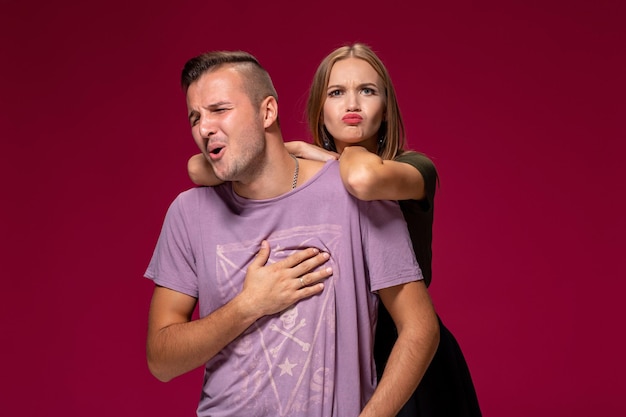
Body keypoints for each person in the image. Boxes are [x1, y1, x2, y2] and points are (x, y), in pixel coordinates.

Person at [189, 43, 482, 417]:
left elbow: (362, 178)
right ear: (320, 109)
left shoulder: (414, 167)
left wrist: (326, 157)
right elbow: (198, 168)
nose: (353, 104)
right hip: (344, 350)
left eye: (368, 91)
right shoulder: (310, 171)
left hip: (406, 351)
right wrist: (287, 151)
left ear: (387, 107)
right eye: (337, 92)